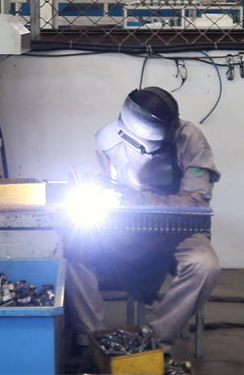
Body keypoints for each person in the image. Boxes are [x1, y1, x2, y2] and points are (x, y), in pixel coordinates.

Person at [64, 86, 221, 352]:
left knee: (205, 265)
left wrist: (138, 199)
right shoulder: (107, 139)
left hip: (178, 231)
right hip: (122, 232)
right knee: (72, 256)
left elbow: (195, 202)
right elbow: (96, 183)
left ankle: (154, 340)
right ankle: (92, 341)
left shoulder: (189, 138)